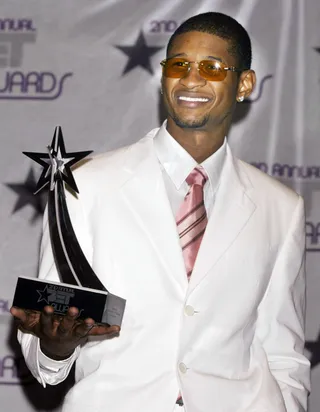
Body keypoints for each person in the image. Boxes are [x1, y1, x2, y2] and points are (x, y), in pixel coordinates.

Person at [11, 11, 310, 412]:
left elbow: (283, 349)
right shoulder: (85, 186)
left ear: (245, 84)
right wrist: (54, 346)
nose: (191, 79)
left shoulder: (281, 207)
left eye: (212, 67)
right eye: (179, 65)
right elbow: (44, 339)